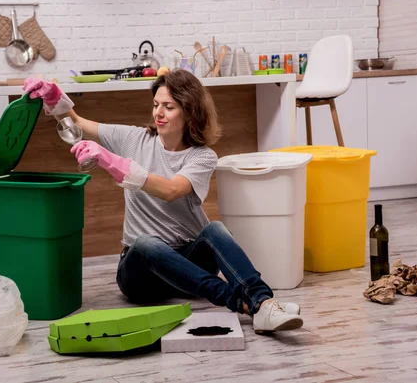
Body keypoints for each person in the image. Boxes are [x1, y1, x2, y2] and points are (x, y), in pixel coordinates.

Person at [23, 69, 304, 333]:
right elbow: (78, 124)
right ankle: (242, 301)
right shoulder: (134, 138)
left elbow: (171, 189)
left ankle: (263, 303)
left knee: (217, 229)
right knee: (145, 242)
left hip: (189, 263)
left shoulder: (201, 157)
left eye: (168, 107)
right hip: (140, 273)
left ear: (189, 112)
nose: (159, 112)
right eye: (156, 104)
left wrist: (117, 165)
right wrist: (54, 98)